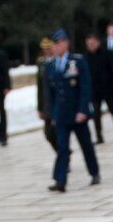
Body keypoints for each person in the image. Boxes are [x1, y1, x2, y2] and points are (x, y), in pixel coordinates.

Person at [40, 28, 99, 192]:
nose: (56, 47)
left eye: (59, 43)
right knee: (62, 147)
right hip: (61, 113)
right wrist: (52, 114)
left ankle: (94, 172)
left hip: (77, 112)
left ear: (66, 43)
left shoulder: (77, 61)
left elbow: (85, 87)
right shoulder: (50, 66)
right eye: (54, 44)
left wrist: (83, 110)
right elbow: (49, 93)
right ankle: (60, 180)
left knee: (86, 144)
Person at [83, 32, 113, 143]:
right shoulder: (85, 58)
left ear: (98, 43)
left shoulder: (107, 54)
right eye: (88, 44)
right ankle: (99, 136)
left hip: (108, 89)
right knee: (96, 114)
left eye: (92, 43)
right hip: (94, 91)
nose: (90, 46)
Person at [33, 35, 57, 149]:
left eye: (49, 48)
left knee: (59, 133)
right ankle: (62, 153)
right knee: (48, 134)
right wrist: (40, 107)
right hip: (47, 105)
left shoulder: (59, 61)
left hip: (58, 104)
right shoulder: (41, 63)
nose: (47, 51)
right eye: (44, 48)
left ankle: (63, 156)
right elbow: (40, 87)